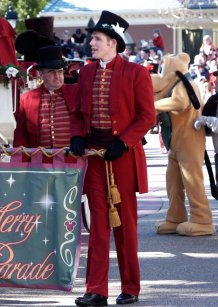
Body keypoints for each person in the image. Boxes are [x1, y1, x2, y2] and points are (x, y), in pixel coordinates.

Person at [68, 10, 155, 306]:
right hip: (94, 157)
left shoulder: (136, 73)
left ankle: (130, 287)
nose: (91, 43)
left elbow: (147, 116)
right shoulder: (85, 72)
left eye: (97, 39)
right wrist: (79, 135)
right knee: (97, 227)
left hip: (122, 158)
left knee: (125, 226)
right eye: (93, 38)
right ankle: (96, 289)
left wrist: (125, 141)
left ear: (113, 43)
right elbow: (78, 113)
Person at [13, 46, 77, 148]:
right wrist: (22, 161)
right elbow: (21, 134)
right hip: (40, 160)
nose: (57, 76)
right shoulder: (26, 99)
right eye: (52, 72)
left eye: (60, 71)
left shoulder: (76, 93)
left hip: (71, 159)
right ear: (41, 75)